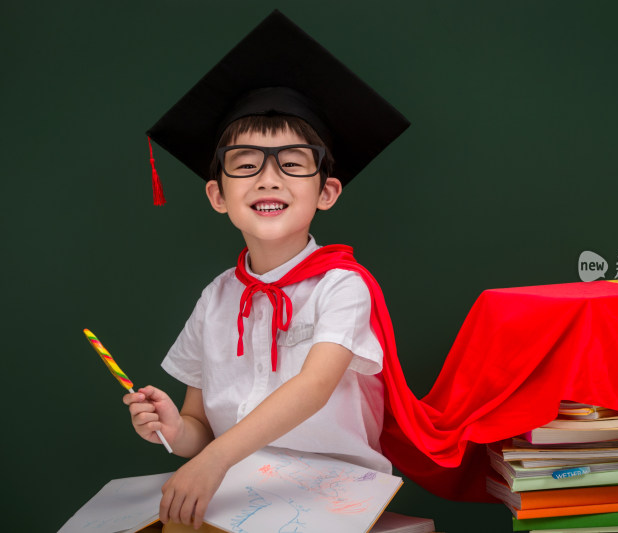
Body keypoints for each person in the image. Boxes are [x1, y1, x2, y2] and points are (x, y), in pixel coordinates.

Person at [123, 11, 409, 529]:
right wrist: (175, 430)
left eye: (293, 162)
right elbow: (199, 429)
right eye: (246, 162)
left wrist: (212, 460)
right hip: (243, 494)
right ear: (217, 195)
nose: (269, 178)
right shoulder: (215, 299)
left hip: (335, 495)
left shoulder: (342, 287)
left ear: (327, 192)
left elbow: (313, 387)